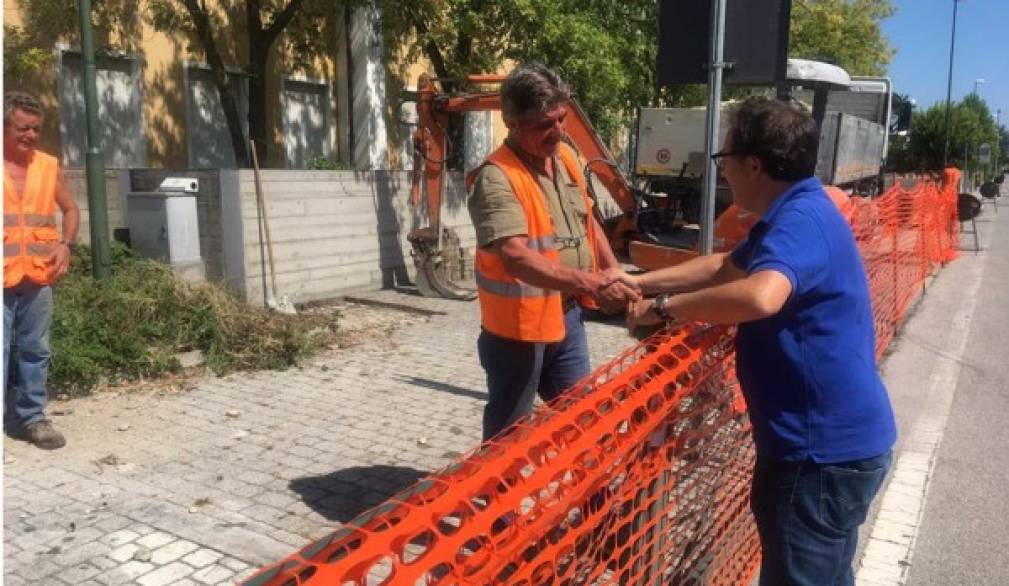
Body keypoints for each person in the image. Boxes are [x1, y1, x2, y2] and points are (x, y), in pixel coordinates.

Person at [619, 97, 896, 585]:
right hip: (835, 448)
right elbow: (724, 267)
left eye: (724, 158)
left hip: (817, 458)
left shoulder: (799, 221)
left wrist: (664, 311)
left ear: (753, 164)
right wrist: (641, 283)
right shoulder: (796, 210)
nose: (723, 171)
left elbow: (761, 296)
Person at [466, 63, 639, 441]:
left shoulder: (565, 158)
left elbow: (589, 222)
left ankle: (591, 496)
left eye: (562, 118)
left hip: (567, 318)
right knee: (509, 435)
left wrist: (615, 274)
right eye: (545, 124)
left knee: (583, 420)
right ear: (512, 123)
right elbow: (517, 258)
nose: (558, 131)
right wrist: (592, 283)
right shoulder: (495, 178)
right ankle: (496, 499)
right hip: (518, 332)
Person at [4, 91, 80, 450]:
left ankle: (33, 419)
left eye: (36, 129)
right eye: (23, 128)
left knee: (36, 351)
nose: (31, 135)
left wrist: (65, 245)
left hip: (37, 276)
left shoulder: (48, 166)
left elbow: (71, 210)